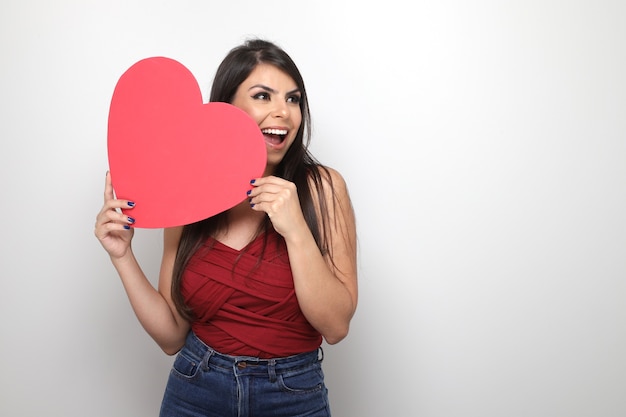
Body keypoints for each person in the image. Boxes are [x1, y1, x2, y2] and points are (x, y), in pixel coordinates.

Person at [94, 39, 358, 417]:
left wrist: (296, 229)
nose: (283, 112)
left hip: (293, 394)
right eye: (263, 96)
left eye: (294, 99)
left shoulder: (323, 188)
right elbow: (171, 336)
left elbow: (335, 327)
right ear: (227, 109)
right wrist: (122, 257)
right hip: (195, 387)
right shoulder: (189, 194)